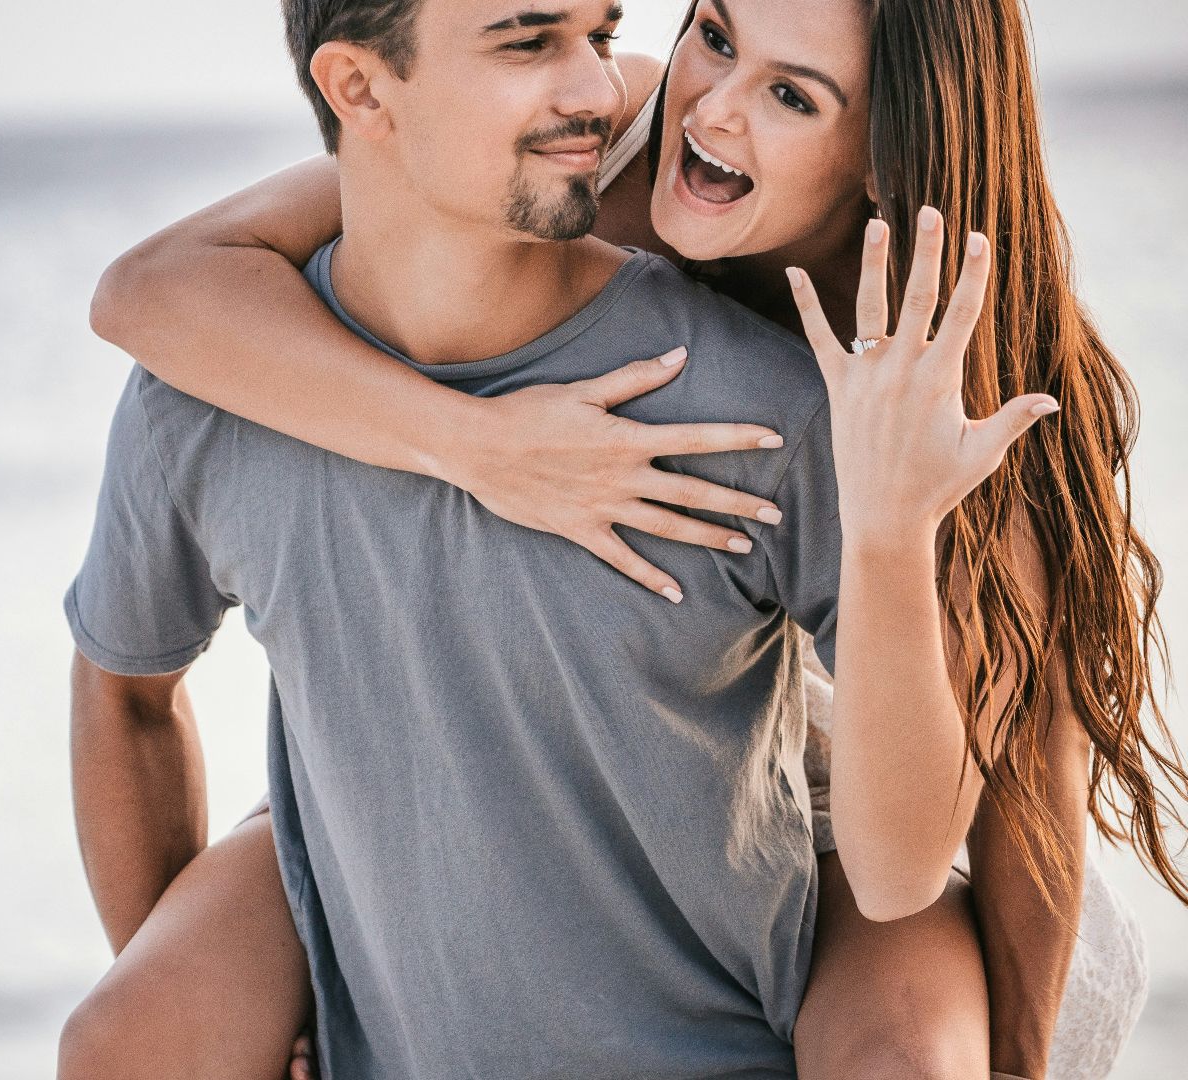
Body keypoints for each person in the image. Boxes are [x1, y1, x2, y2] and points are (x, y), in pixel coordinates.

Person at [64, 0, 1187, 1078]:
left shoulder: (948, 373)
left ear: (885, 153)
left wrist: (1020, 1061)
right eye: (713, 35)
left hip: (867, 726)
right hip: (543, 701)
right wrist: (476, 446)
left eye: (793, 93)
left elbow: (1029, 751)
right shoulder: (606, 141)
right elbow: (149, 291)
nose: (713, 110)